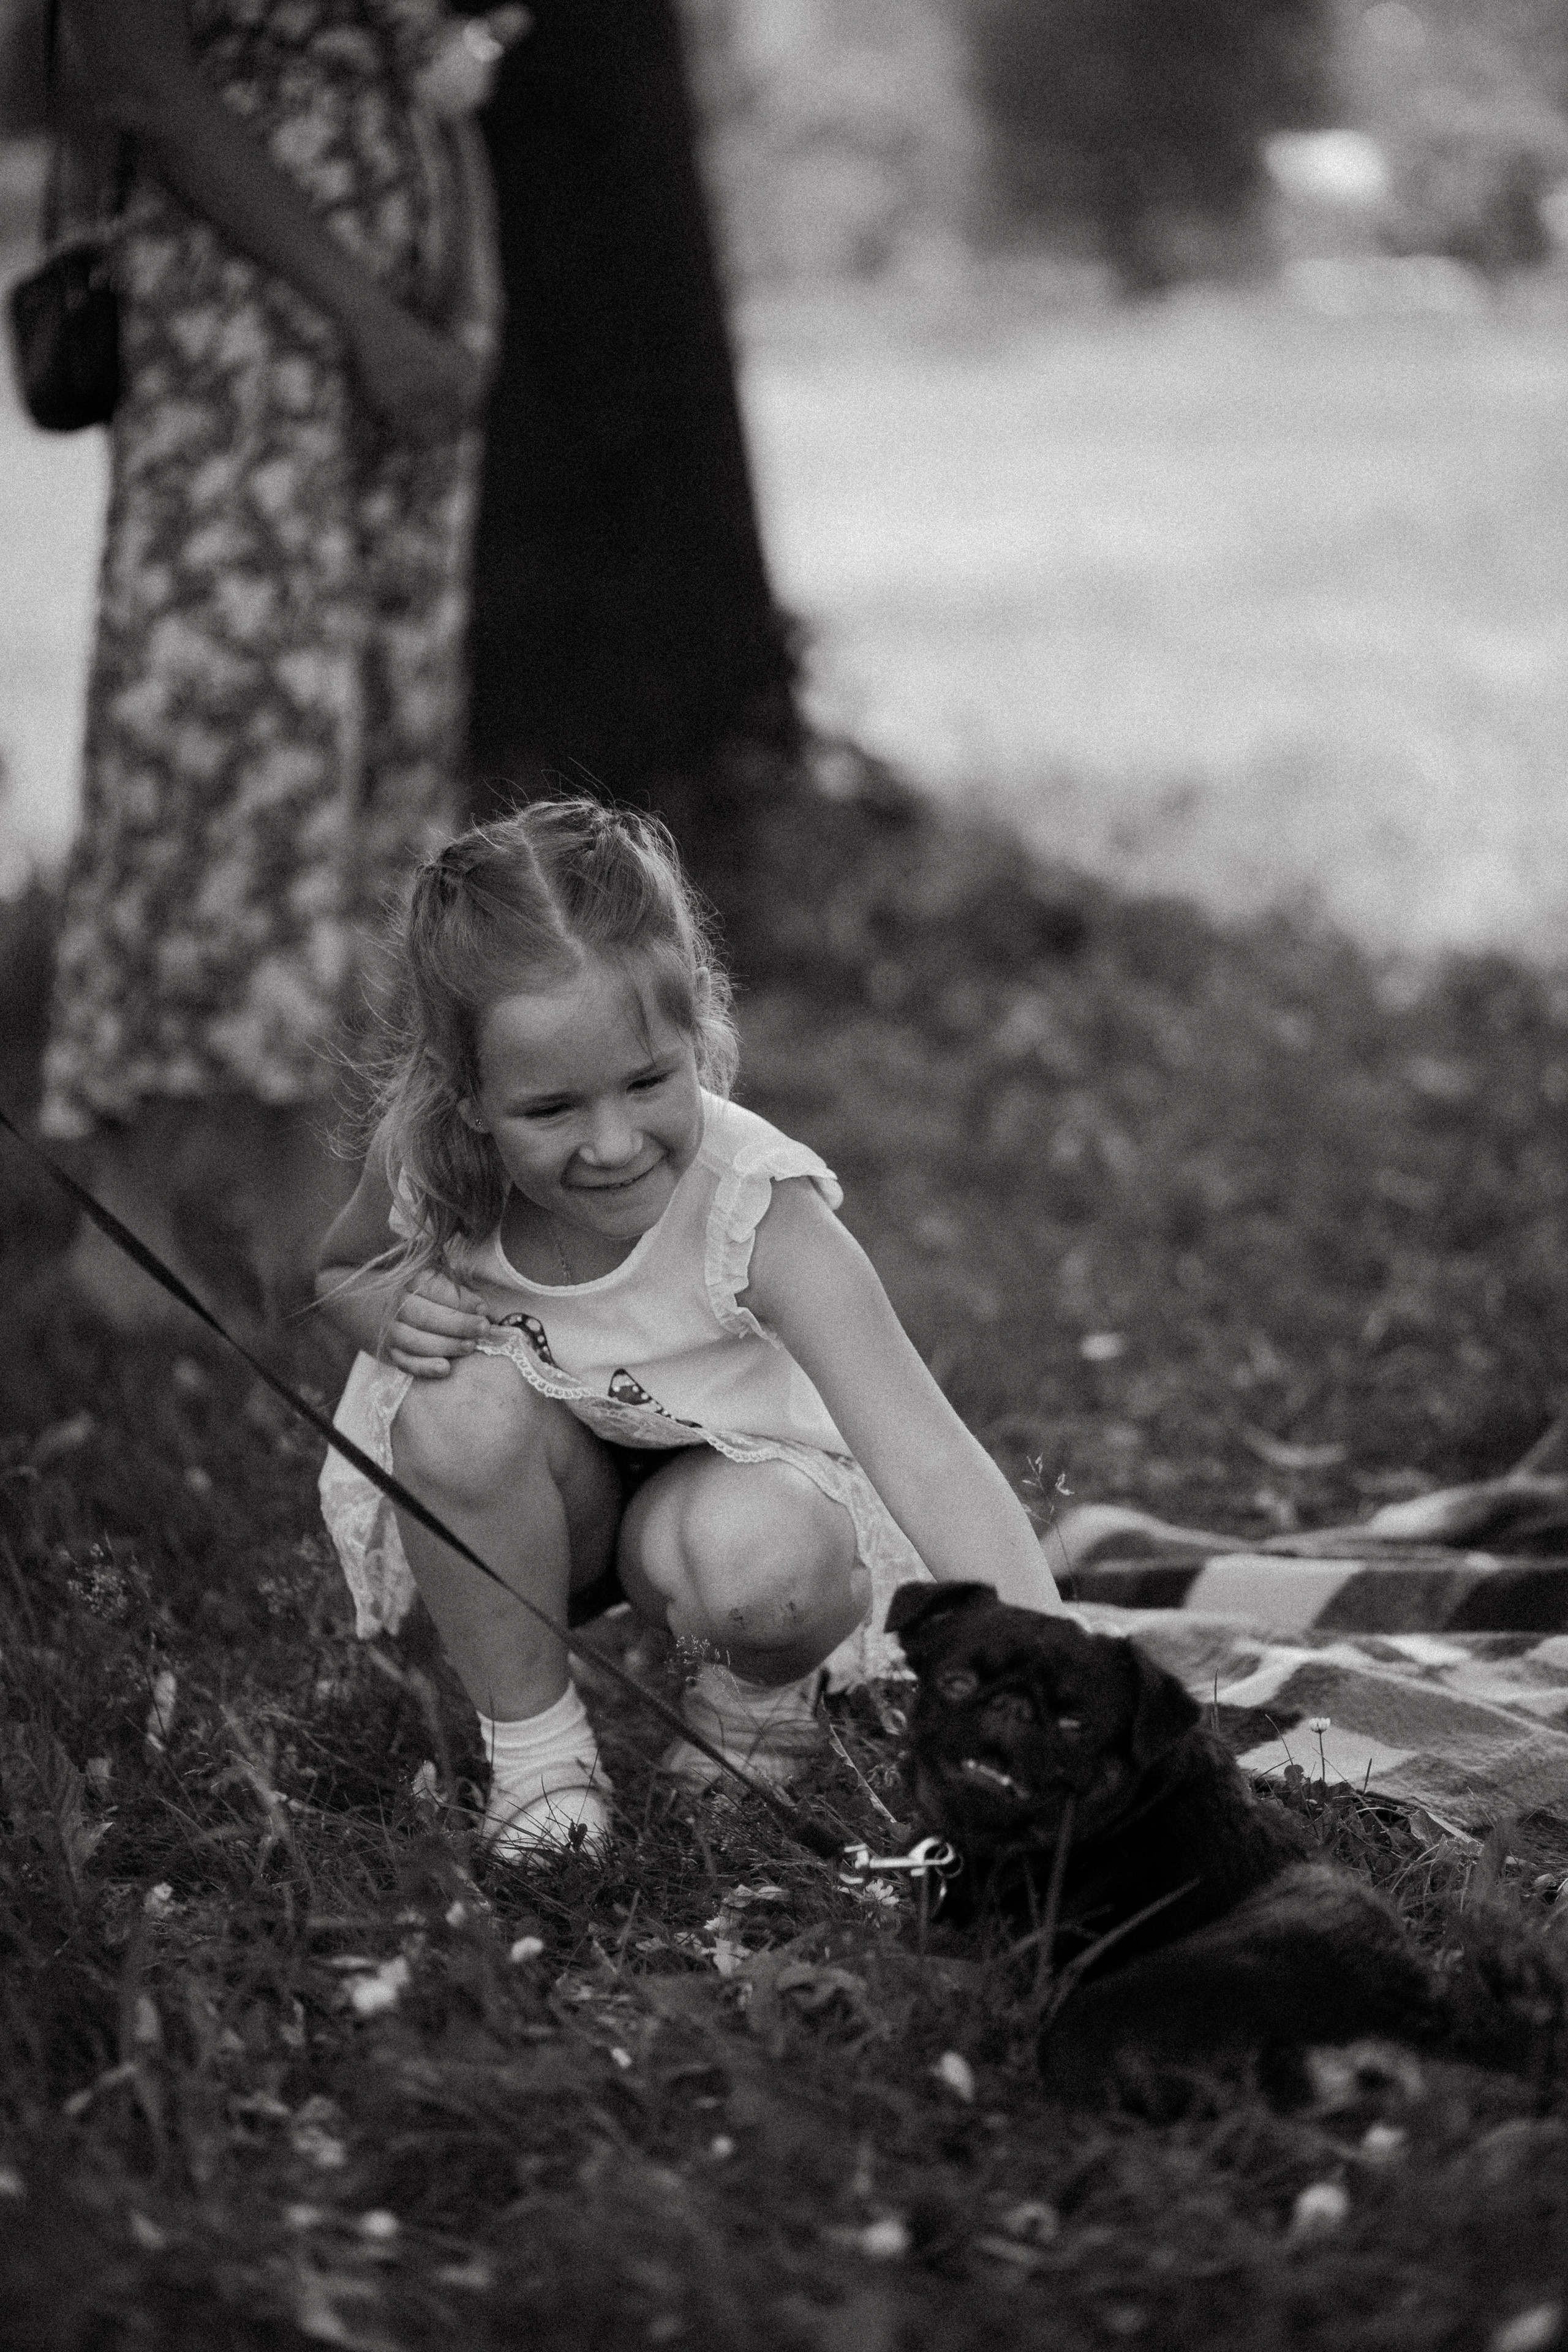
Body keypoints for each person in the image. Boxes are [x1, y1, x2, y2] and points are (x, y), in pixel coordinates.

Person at [315, 798, 1062, 1857]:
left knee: (766, 1570)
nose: (613, 1143)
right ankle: (541, 1763)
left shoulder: (758, 1208)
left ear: (695, 1028)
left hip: (731, 1510)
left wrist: (1054, 1663)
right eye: (552, 1110)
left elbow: (928, 1454)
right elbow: (340, 1268)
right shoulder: (433, 1158)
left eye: (648, 1082)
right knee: (449, 1408)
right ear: (466, 1095)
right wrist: (382, 1305)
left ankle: (755, 1699)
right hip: (546, 1509)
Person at [39, 0, 523, 1330]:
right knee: (228, 743)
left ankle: (319, 1201)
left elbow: (438, 64)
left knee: (379, 750)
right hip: (253, 335)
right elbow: (136, 70)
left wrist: (459, 301)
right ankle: (132, 1226)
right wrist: (367, 311)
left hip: (400, 344)